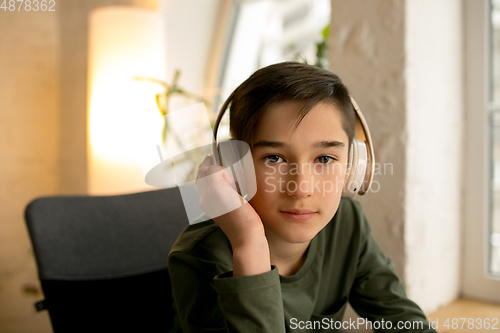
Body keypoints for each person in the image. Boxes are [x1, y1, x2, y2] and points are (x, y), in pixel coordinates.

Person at [167, 62, 437, 333]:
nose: (301, 189)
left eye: (324, 158)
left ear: (353, 166)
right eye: (274, 158)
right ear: (234, 165)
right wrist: (248, 241)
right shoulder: (199, 259)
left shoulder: (347, 222)